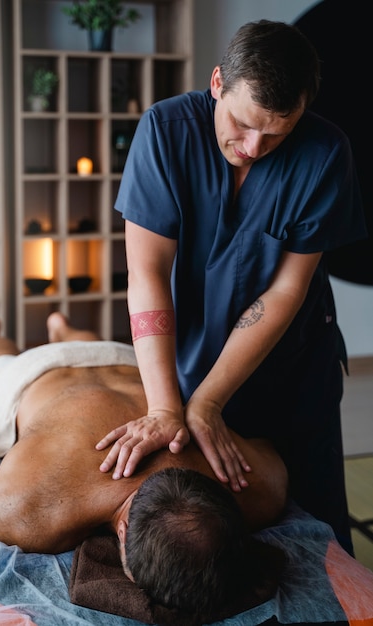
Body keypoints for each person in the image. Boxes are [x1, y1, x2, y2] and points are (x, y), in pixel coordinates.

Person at [95, 19, 367, 556]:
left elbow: (286, 290)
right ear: (218, 82)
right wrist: (170, 409)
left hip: (295, 368)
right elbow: (148, 273)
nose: (253, 147)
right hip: (191, 357)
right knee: (211, 531)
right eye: (242, 124)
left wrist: (210, 403)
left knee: (322, 531)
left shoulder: (325, 152)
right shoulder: (166, 131)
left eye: (277, 133)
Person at [0, 313, 288, 621]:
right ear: (123, 533)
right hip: (34, 375)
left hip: (129, 361)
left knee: (70, 345)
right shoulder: (23, 512)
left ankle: (57, 329)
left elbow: (266, 449)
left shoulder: (260, 487)